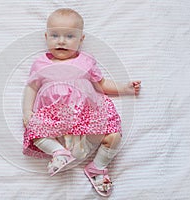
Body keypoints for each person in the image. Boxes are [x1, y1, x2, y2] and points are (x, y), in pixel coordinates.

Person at [22, 8, 141, 197]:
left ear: (81, 39)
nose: (61, 41)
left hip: (86, 117)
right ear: (46, 36)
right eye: (55, 35)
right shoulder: (40, 64)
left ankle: (98, 167)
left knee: (114, 136)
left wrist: (124, 88)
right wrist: (27, 112)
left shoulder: (86, 61)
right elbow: (31, 87)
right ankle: (58, 152)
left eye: (69, 36)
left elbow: (101, 85)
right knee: (34, 130)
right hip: (54, 121)